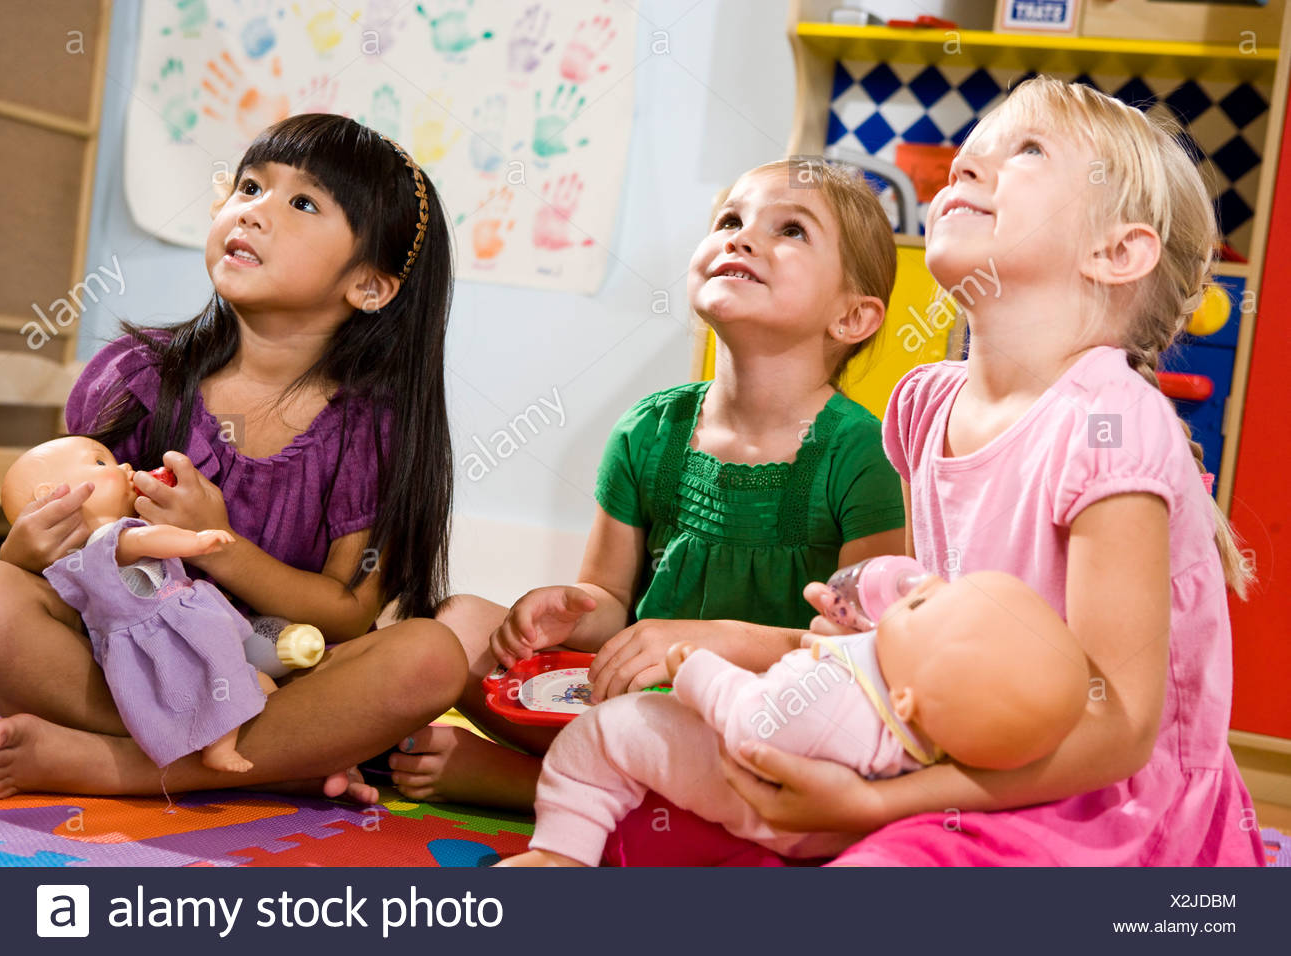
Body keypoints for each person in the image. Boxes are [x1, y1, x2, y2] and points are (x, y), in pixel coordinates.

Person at [602, 75, 1265, 867]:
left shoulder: (1110, 424)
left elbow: (1117, 733)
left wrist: (878, 804)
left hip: (1112, 815)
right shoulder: (925, 407)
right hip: (964, 755)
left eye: (1023, 150)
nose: (964, 165)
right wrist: (736, 642)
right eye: (969, 151)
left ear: (1116, 251)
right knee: (647, 810)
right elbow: (931, 654)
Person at [390, 159, 906, 808]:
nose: (741, 238)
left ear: (853, 318)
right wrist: (566, 608)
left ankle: (538, 786)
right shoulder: (648, 430)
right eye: (729, 220)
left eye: (792, 230)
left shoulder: (865, 453)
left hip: (757, 722)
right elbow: (608, 600)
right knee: (462, 624)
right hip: (635, 700)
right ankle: (604, 786)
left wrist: (702, 645)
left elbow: (862, 656)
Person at [0, 113, 466, 801]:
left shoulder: (371, 430)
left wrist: (220, 546)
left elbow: (347, 611)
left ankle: (111, 767)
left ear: (369, 284)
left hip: (271, 675)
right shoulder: (135, 378)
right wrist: (26, 554)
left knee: (429, 657)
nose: (255, 212)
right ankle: (262, 761)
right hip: (127, 656)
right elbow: (68, 565)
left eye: (302, 202)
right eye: (249, 187)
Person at [498, 570, 1089, 866]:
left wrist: (696, 671)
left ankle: (558, 852)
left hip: (746, 774)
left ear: (906, 699)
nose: (924, 585)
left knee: (608, 731)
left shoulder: (841, 691)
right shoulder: (925, 714)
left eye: (921, 605)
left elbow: (755, 722)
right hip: (818, 825)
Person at [2, 436, 277, 774]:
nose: (124, 466)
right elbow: (144, 540)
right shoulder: (107, 538)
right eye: (101, 463)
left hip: (147, 636)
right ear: (53, 493)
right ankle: (220, 747)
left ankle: (251, 743)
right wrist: (195, 539)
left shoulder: (77, 558)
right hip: (168, 627)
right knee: (229, 679)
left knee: (251, 683)